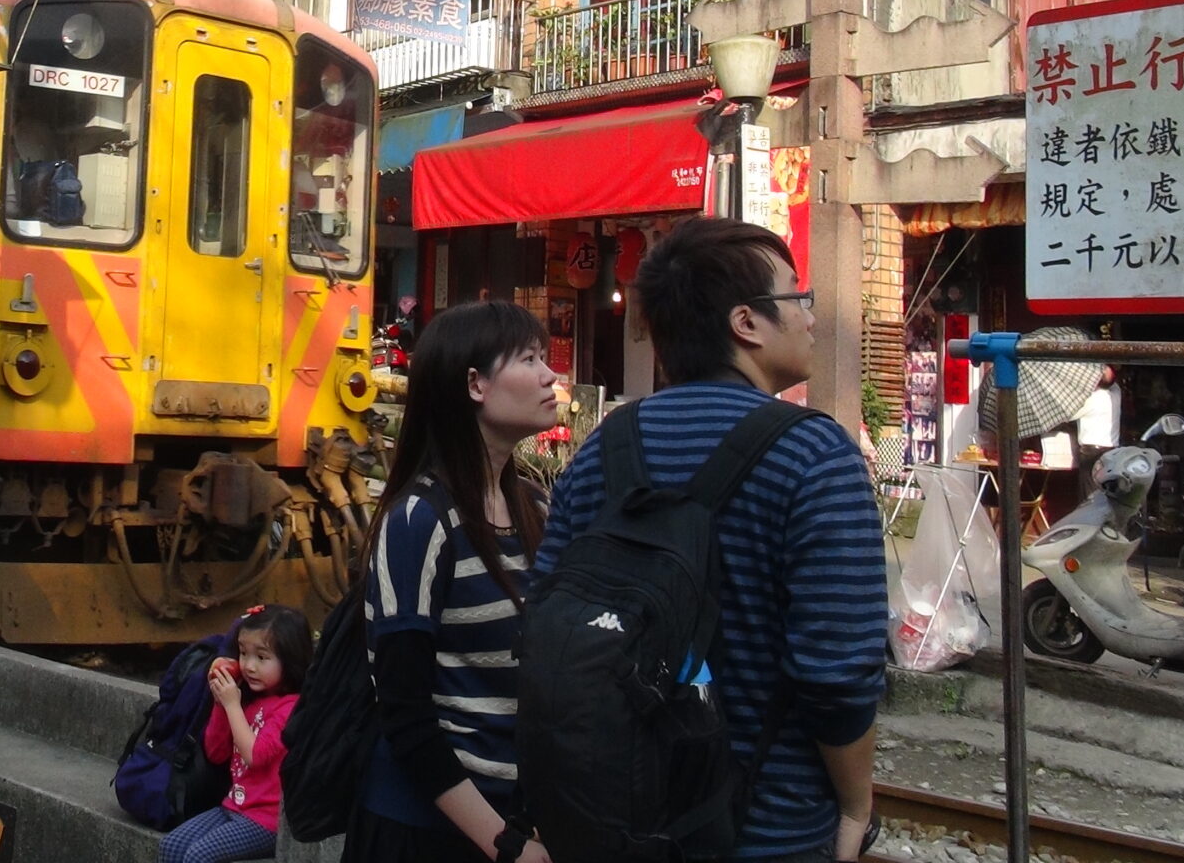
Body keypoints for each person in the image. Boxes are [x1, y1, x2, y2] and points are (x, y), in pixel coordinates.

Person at [534, 217, 885, 863]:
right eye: (798, 296)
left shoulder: (602, 450)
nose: (811, 316)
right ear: (746, 323)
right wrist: (857, 805)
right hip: (767, 830)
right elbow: (838, 674)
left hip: (614, 824)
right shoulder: (816, 456)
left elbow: (542, 620)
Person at [350, 300, 560, 863]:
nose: (550, 375)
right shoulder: (420, 520)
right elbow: (405, 712)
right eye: (529, 359)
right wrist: (502, 844)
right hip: (427, 832)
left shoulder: (540, 509)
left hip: (518, 822)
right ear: (475, 384)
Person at [161, 603, 313, 863]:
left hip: (266, 820)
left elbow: (255, 756)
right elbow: (216, 752)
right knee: (171, 846)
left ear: (289, 660)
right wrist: (221, 705)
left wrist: (232, 705)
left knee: (199, 856)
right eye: (243, 653)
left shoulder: (290, 707)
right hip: (234, 804)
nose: (249, 666)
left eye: (261, 657)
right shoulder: (249, 701)